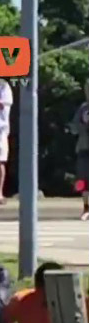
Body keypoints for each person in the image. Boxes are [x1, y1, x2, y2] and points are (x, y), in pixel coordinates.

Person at [70, 78, 89, 220]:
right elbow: (74, 127)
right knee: (82, 180)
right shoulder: (83, 108)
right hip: (84, 148)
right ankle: (86, 207)